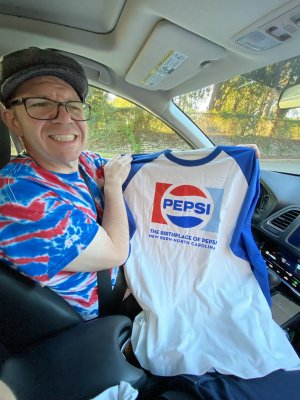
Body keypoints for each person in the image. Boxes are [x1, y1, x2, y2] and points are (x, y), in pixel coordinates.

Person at [0, 47, 132, 321]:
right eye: (40, 104)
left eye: (73, 106)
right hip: (95, 330)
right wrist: (112, 188)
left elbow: (134, 165)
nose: (64, 118)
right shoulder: (17, 198)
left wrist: (236, 156)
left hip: (130, 296)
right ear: (13, 120)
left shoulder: (86, 162)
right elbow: (115, 253)